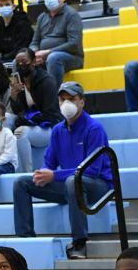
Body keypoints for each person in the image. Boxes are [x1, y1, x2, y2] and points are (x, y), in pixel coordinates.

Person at [13, 81, 112, 259]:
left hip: (99, 187)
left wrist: (54, 175)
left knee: (73, 181)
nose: (66, 103)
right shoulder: (58, 130)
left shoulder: (94, 128)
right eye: (62, 99)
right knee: (21, 183)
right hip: (71, 186)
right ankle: (25, 239)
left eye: (72, 99)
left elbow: (92, 171)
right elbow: (49, 163)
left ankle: (79, 243)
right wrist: (42, 174)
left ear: (82, 101)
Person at [10, 48, 61, 172]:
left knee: (20, 132)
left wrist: (27, 120)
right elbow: (18, 111)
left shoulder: (47, 82)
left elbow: (51, 115)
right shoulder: (19, 82)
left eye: (24, 61)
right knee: (5, 118)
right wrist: (14, 96)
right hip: (31, 124)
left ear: (33, 62)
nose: (21, 65)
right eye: (18, 63)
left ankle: (27, 174)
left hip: (48, 127)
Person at [28, 0, 83, 86]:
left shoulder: (71, 15)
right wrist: (33, 54)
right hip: (45, 58)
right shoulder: (41, 17)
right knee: (20, 60)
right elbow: (34, 42)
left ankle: (54, 98)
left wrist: (48, 52)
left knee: (53, 57)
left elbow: (74, 44)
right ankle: (26, 99)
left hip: (71, 57)